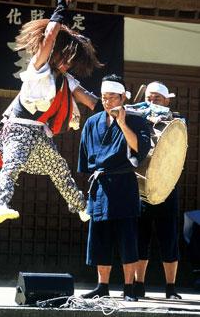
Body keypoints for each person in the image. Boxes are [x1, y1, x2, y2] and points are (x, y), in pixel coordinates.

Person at [0, 0, 104, 224]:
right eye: (66, 57)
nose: (67, 64)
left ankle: (82, 207)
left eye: (71, 62)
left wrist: (112, 105)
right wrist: (60, 8)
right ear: (57, 52)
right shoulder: (38, 67)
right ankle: (1, 205)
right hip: (18, 129)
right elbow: (50, 35)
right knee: (12, 166)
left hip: (40, 133)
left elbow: (91, 101)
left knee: (60, 169)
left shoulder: (66, 79)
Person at [77, 74, 151, 301]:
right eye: (104, 97)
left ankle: (129, 287)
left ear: (123, 97)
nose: (107, 101)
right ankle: (102, 286)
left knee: (127, 237)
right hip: (101, 186)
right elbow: (86, 158)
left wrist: (122, 122)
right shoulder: (92, 122)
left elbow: (140, 149)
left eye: (112, 97)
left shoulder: (137, 121)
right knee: (100, 237)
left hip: (124, 185)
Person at [134, 81, 183, 299]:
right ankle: (138, 285)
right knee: (139, 239)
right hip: (140, 188)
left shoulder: (177, 120)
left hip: (166, 187)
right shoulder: (137, 117)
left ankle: (171, 288)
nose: (152, 102)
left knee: (168, 239)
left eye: (157, 99)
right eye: (149, 98)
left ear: (167, 100)